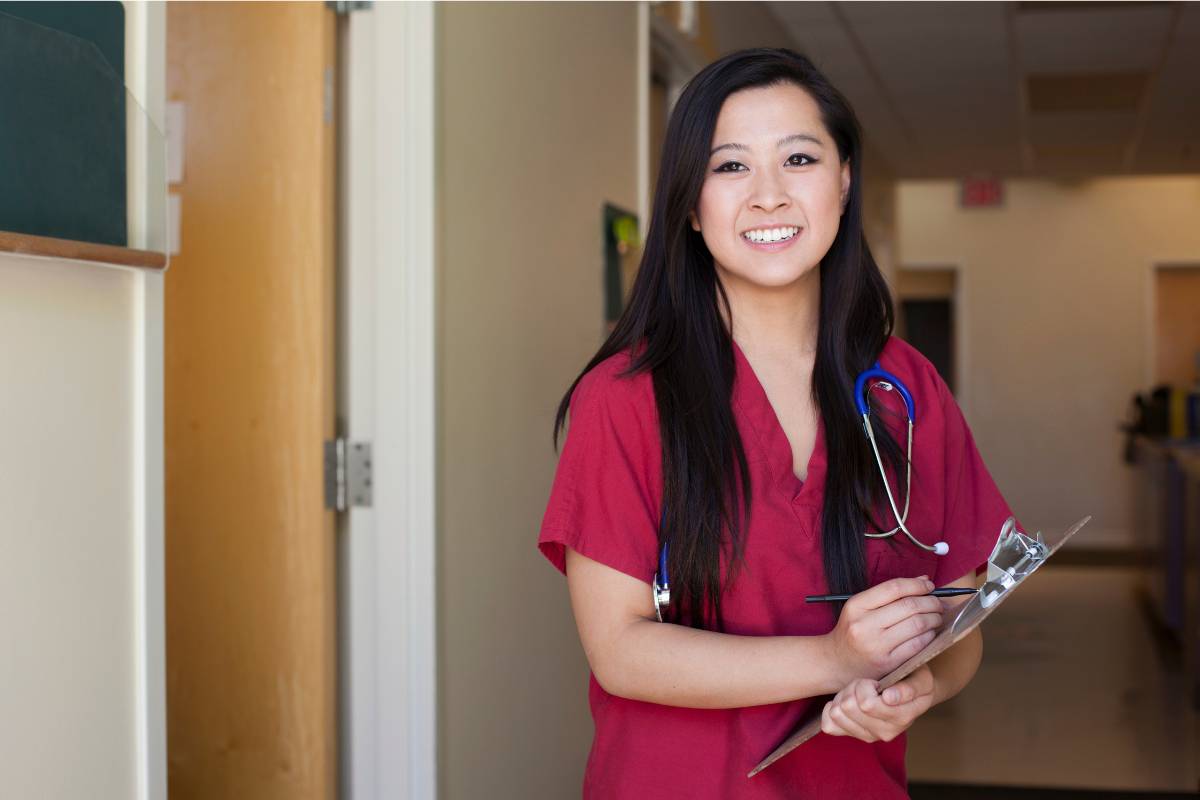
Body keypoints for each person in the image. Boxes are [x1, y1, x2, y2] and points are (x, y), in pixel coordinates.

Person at [537, 47, 1016, 799]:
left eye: (798, 158)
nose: (768, 195)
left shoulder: (906, 389)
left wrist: (918, 686)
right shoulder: (626, 399)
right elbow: (620, 650)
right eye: (730, 167)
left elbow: (960, 628)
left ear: (844, 181)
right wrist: (834, 658)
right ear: (690, 205)